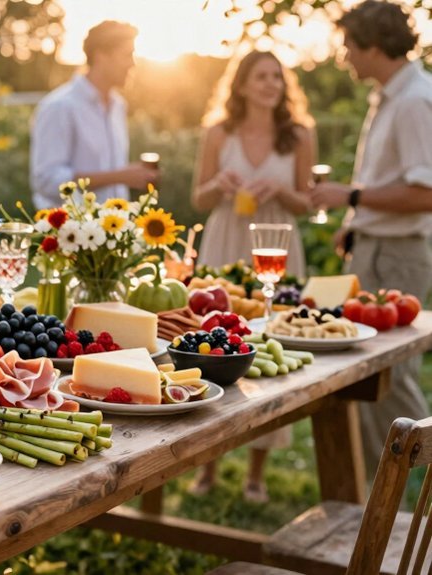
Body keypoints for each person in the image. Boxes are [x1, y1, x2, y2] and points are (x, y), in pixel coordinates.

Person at [312, 0, 432, 475]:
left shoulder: (414, 101)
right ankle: (376, 501)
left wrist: (353, 195)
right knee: (365, 381)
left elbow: (426, 193)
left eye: (348, 47)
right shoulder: (390, 96)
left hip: (397, 260)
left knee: (391, 383)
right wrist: (354, 223)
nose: (344, 58)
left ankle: (422, 491)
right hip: (374, 250)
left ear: (375, 45)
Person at [190, 50, 315, 503]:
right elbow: (199, 198)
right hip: (226, 240)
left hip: (277, 244)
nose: (270, 84)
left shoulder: (298, 136)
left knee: (267, 345)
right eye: (261, 77)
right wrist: (219, 185)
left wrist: (280, 189)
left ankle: (256, 472)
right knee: (212, 344)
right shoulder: (218, 133)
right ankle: (206, 465)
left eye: (276, 77)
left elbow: (309, 202)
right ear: (241, 84)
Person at [29, 20, 158, 211]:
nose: (133, 63)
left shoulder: (118, 106)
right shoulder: (59, 107)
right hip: (71, 235)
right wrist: (120, 176)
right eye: (127, 55)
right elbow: (47, 181)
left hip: (114, 234)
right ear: (101, 56)